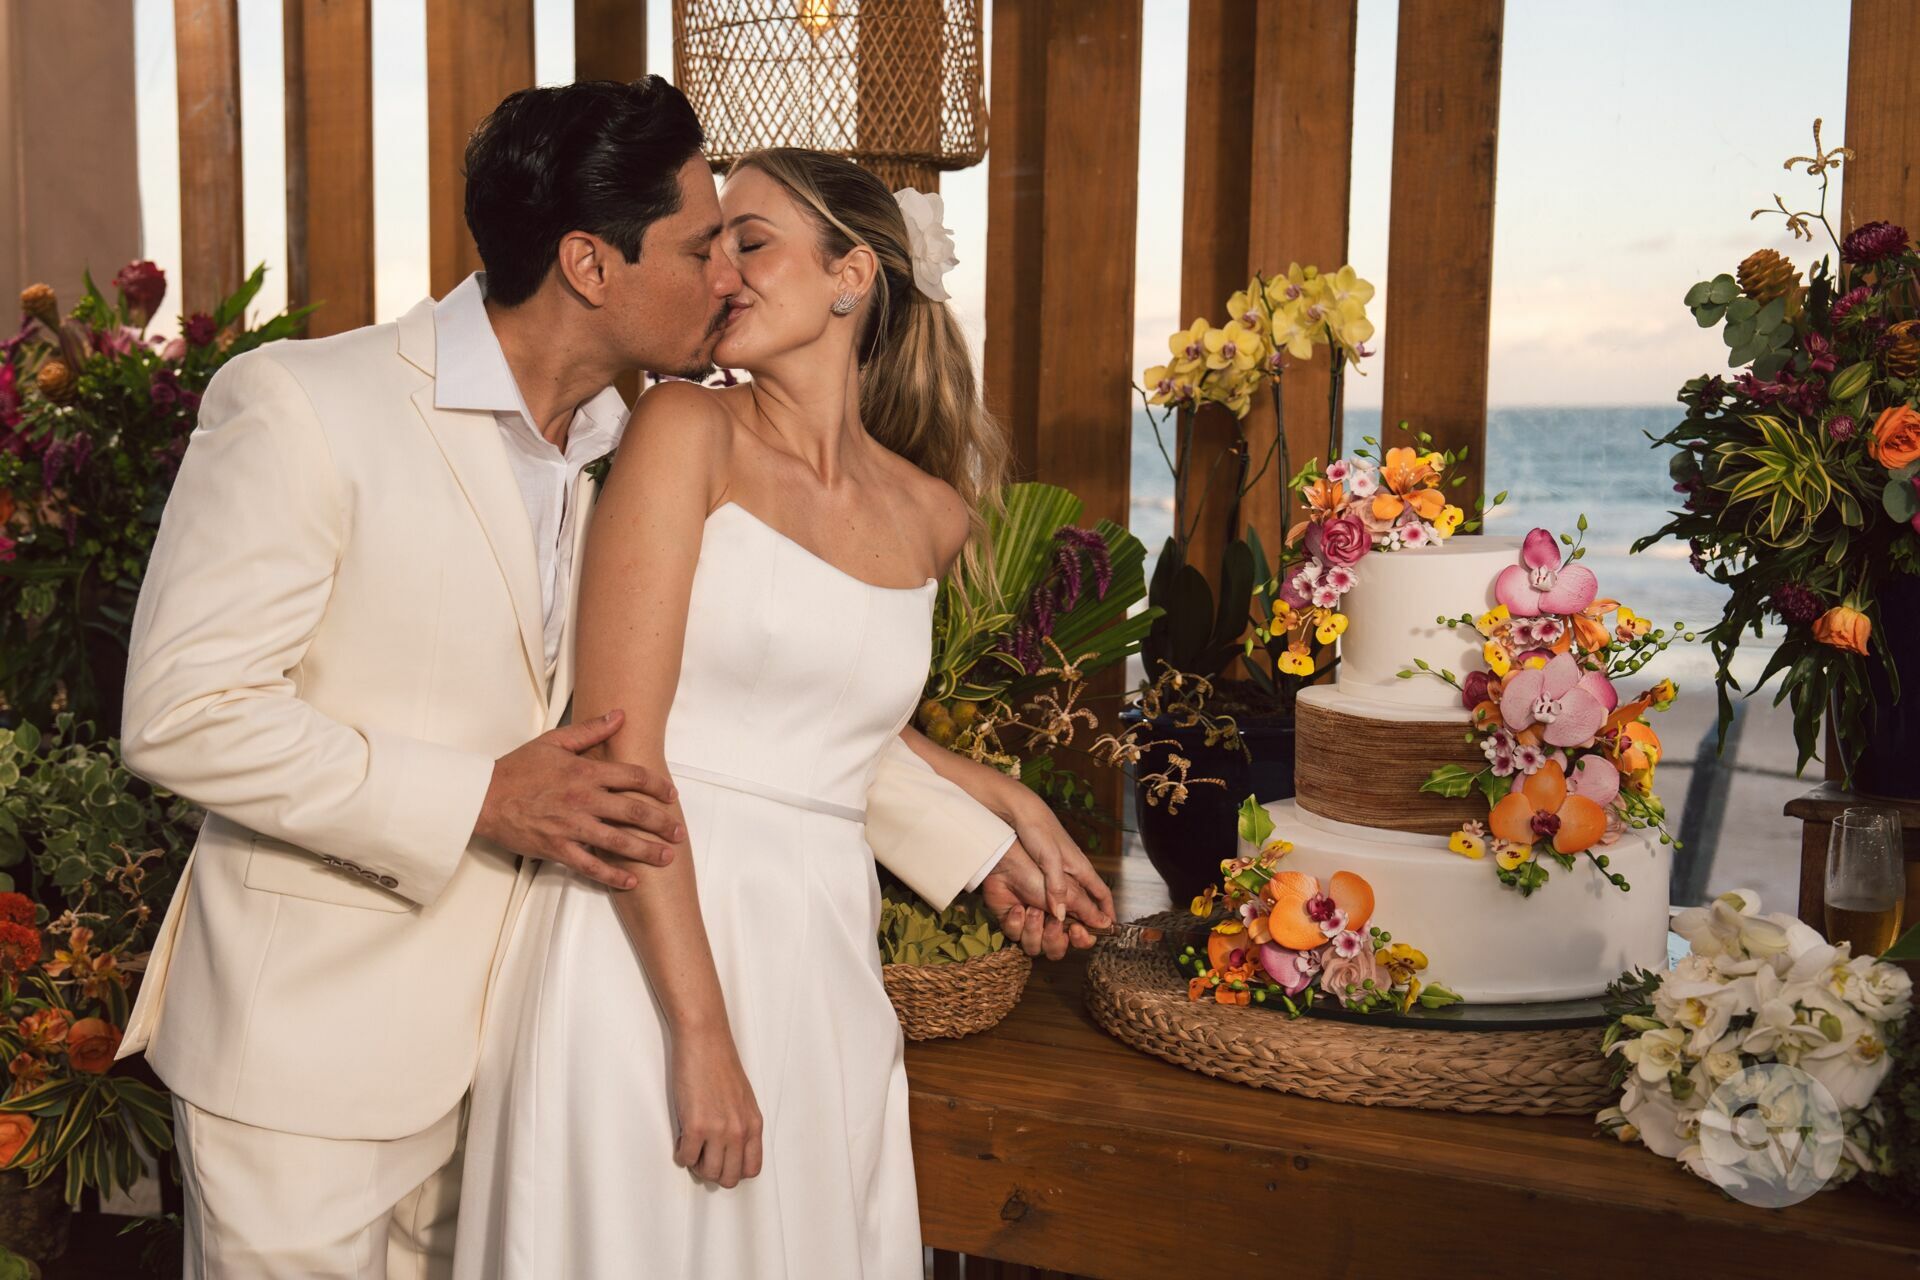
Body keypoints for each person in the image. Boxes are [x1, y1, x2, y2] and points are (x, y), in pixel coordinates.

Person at [117, 77, 1110, 1279]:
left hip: (532, 1026)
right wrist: (480, 798)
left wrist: (977, 819)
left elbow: (703, 709)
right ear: (592, 264)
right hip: (314, 1046)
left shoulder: (618, 436)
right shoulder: (305, 405)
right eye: (703, 244)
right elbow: (186, 713)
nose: (726, 276)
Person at [452, 139, 1100, 1279]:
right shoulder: (682, 432)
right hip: (644, 939)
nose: (721, 275)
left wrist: (989, 793)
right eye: (710, 248)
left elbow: (827, 717)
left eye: (751, 243)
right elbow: (625, 751)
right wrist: (701, 1034)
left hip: (821, 956)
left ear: (853, 276)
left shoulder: (936, 515)